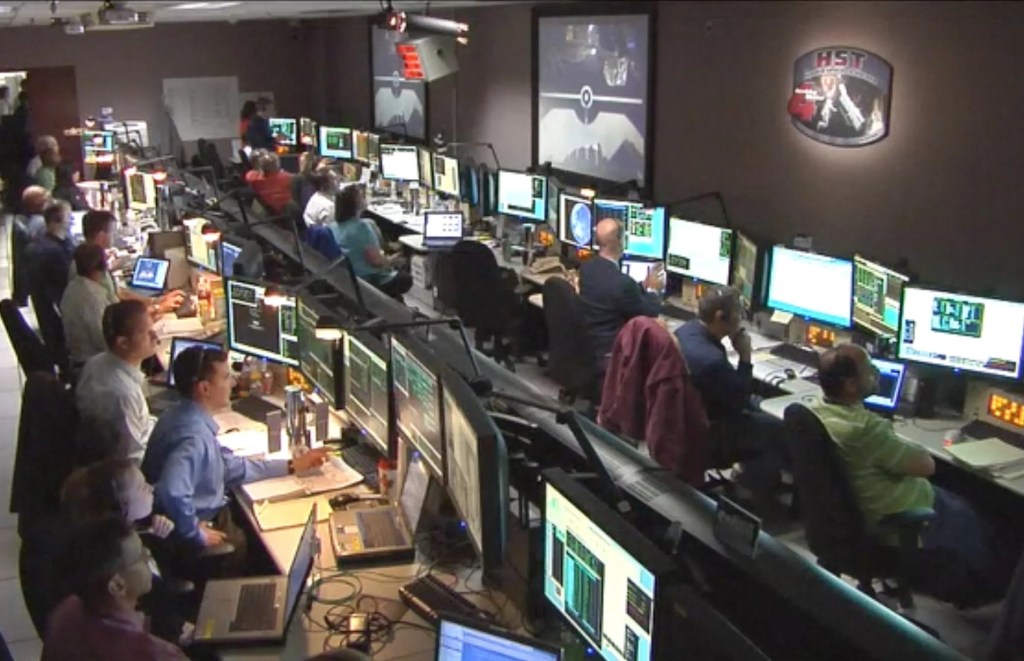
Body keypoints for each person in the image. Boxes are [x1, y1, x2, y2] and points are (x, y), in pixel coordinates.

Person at [811, 344, 998, 592]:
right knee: (969, 511)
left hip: (857, 507)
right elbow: (927, 466)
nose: (876, 372)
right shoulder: (865, 429)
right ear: (850, 385)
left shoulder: (817, 409)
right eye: (869, 369)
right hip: (897, 516)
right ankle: (983, 590)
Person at [142, 347, 328, 554]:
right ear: (204, 388)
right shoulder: (194, 438)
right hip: (192, 529)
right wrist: (193, 531)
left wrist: (292, 465)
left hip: (187, 516)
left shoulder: (181, 415)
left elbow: (229, 467)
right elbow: (172, 491)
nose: (232, 383)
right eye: (226, 377)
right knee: (258, 546)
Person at [675, 286, 788, 498]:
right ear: (720, 317)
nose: (741, 321)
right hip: (711, 434)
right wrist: (745, 356)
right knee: (776, 428)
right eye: (738, 315)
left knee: (761, 407)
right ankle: (748, 491)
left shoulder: (685, 331)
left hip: (686, 421)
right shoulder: (712, 361)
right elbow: (739, 402)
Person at [42, 516, 188, 661]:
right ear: (117, 586)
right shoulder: (157, 654)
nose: (147, 554)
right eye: (139, 556)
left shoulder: (63, 613)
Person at [76, 300, 159, 463]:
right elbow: (133, 459)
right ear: (123, 343)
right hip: (130, 472)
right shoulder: (124, 395)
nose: (155, 336)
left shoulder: (95, 363)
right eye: (146, 332)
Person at [579, 218, 663, 370]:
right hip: (612, 353)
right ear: (618, 241)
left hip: (590, 347)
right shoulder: (622, 283)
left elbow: (612, 294)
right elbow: (650, 313)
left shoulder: (587, 269)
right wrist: (653, 290)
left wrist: (642, 286)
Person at [71, 209, 184, 312]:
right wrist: (157, 308)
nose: (116, 236)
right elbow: (114, 318)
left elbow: (118, 292)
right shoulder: (89, 265)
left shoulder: (91, 257)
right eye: (113, 232)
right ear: (101, 236)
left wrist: (155, 301)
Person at [331, 184, 412, 300]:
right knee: (405, 278)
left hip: (349, 278)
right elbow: (377, 262)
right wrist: (394, 260)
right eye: (361, 197)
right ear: (355, 204)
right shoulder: (361, 227)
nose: (365, 198)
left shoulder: (333, 226)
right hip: (368, 279)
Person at [61, 243, 119, 367]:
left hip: (83, 356)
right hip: (93, 362)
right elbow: (104, 341)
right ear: (102, 267)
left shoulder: (74, 286)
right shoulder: (91, 298)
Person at [25, 200, 75, 311]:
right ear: (56, 221)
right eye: (69, 217)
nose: (72, 220)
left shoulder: (59, 241)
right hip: (68, 307)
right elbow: (73, 279)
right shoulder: (51, 253)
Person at [244, 149, 293, 215]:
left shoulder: (251, 177)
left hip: (266, 211)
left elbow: (254, 173)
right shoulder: (287, 177)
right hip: (284, 211)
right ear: (277, 164)